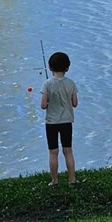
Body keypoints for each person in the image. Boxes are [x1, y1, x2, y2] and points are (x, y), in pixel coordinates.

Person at [40, 51, 78, 185]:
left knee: (53, 152)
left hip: (51, 123)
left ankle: (54, 181)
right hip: (67, 121)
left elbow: (43, 105)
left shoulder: (47, 84)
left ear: (50, 68)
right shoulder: (71, 84)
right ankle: (72, 179)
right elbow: (75, 103)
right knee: (68, 151)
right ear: (67, 67)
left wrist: (49, 102)